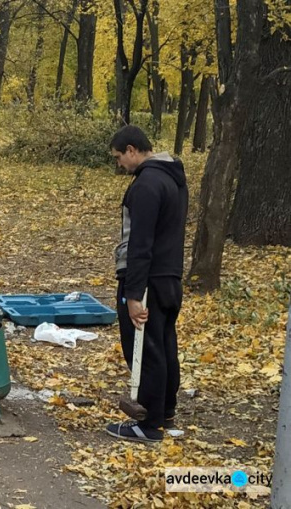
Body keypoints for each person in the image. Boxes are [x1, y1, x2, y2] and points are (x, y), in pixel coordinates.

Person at [106, 125, 188, 443]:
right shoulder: (173, 179)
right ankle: (165, 411)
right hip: (170, 277)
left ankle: (149, 423)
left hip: (147, 280)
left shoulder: (146, 185)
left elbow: (140, 242)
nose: (119, 165)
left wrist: (133, 292)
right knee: (165, 344)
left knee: (145, 348)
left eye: (119, 157)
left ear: (131, 149)